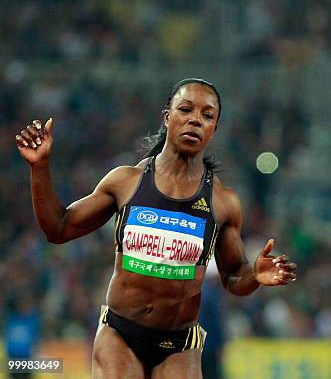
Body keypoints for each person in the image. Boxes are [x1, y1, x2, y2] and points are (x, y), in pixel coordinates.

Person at [15, 78, 297, 379]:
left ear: (215, 128)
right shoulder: (126, 182)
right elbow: (59, 229)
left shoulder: (223, 202)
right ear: (167, 117)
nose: (195, 120)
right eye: (186, 109)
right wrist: (39, 167)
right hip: (120, 334)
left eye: (207, 115)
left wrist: (255, 275)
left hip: (179, 345)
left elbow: (234, 278)